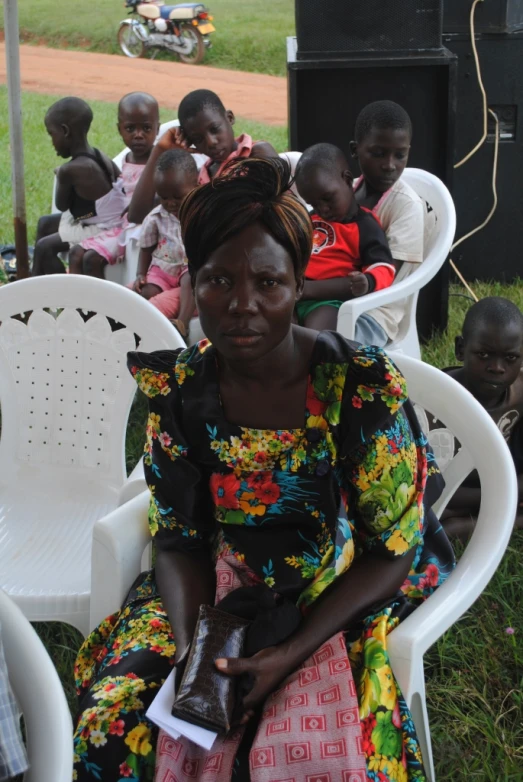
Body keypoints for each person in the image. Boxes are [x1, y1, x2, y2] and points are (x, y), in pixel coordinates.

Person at [72, 157, 454, 782]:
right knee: (113, 725)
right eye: (218, 281)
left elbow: (391, 552)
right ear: (193, 282)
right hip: (211, 587)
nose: (241, 305)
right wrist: (200, 647)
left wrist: (287, 653)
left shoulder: (354, 388)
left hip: (333, 589)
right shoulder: (182, 389)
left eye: (268, 283)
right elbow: (176, 538)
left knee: (329, 753)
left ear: (299, 285)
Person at [429, 297, 523, 541]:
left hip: (505, 485)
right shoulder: (432, 398)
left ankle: (474, 524)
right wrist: (504, 495)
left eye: (510, 358)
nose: (497, 368)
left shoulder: (520, 392)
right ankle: (499, 518)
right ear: (461, 349)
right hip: (452, 493)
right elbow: (430, 484)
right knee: (427, 511)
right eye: (484, 354)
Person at [349, 100, 437, 346]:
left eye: (400, 155)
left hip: (374, 313)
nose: (389, 165)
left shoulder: (407, 206)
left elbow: (383, 277)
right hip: (335, 297)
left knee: (323, 346)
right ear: (355, 150)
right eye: (378, 154)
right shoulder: (347, 192)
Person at [128, 88, 278, 225]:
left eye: (214, 129)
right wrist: (160, 150)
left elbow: (281, 206)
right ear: (190, 142)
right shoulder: (199, 179)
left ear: (230, 118)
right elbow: (137, 215)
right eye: (198, 139)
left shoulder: (258, 153)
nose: (211, 142)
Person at [294, 143, 395, 333]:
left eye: (327, 198)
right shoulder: (310, 219)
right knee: (276, 335)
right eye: (313, 203)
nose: (322, 209)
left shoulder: (365, 225)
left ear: (347, 180)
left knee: (314, 338)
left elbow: (384, 267)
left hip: (328, 301)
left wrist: (368, 281)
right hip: (291, 295)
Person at [32, 97, 126, 276]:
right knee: (45, 223)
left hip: (106, 230)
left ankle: (46, 290)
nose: (52, 142)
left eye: (52, 134)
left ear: (65, 131)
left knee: (44, 247)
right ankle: (34, 280)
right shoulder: (99, 155)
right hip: (101, 220)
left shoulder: (69, 171)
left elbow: (62, 205)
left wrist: (61, 175)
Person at [73, 92, 160, 278]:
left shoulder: (158, 162)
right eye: (130, 128)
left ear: (157, 129)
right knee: (76, 254)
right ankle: (73, 301)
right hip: (115, 224)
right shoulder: (125, 159)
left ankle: (99, 306)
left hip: (135, 229)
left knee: (91, 259)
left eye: (146, 128)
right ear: (120, 129)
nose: (138, 135)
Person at [131, 149, 198, 339]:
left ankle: (182, 324)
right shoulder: (157, 217)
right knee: (146, 292)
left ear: (196, 185)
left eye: (178, 197)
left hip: (188, 268)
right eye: (164, 197)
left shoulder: (200, 215)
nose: (170, 203)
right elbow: (146, 246)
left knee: (190, 278)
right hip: (163, 269)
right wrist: (140, 274)